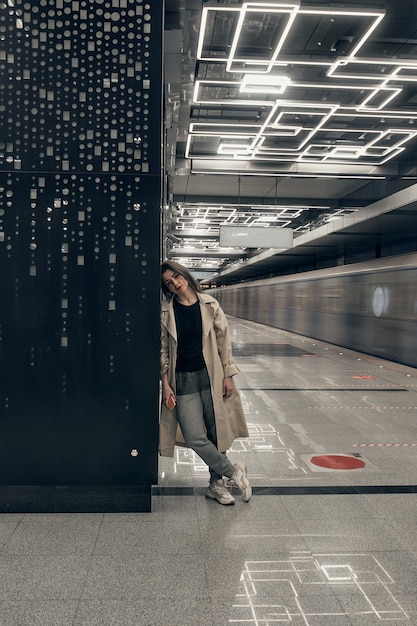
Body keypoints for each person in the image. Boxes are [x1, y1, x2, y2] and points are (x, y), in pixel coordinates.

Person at [160, 260, 252, 505]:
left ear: (185, 275)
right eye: (168, 282)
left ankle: (216, 485)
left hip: (211, 376)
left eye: (176, 277)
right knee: (194, 436)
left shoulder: (210, 305)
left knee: (216, 432)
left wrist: (228, 375)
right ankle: (234, 472)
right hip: (181, 381)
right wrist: (165, 383)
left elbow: (224, 344)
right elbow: (163, 352)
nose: (175, 284)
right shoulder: (165, 311)